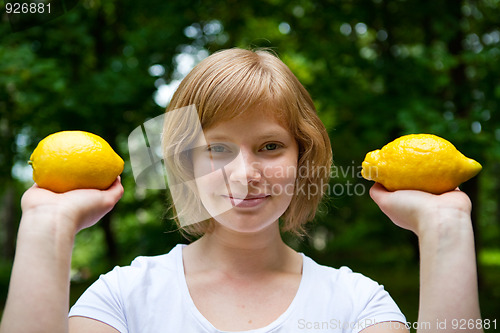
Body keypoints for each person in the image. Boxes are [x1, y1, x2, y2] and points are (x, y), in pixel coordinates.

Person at [0, 48, 482, 333]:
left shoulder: (358, 308)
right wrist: (47, 225)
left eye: (270, 146)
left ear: (302, 156)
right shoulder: (123, 300)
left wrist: (447, 226)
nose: (244, 174)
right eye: (217, 149)